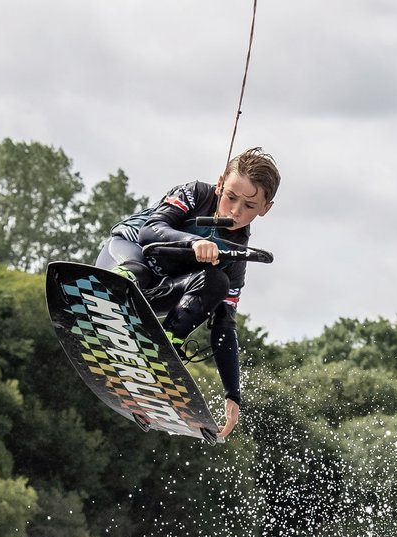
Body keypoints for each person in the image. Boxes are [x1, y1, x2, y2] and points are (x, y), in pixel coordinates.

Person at [95, 147, 280, 440]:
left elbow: (224, 325)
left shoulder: (237, 253)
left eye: (249, 206)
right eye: (230, 197)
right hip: (124, 259)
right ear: (220, 183)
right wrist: (194, 242)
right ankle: (111, 297)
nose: (234, 211)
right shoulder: (196, 193)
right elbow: (150, 232)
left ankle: (161, 351)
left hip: (159, 294)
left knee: (217, 283)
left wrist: (233, 394)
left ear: (265, 208)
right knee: (138, 269)